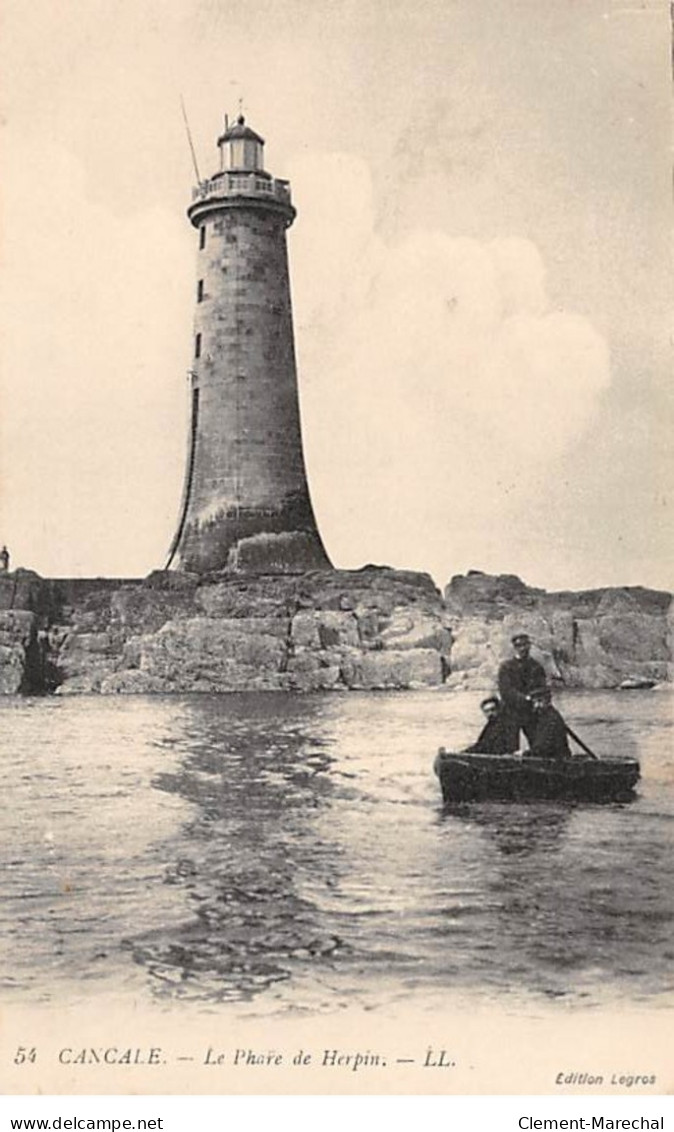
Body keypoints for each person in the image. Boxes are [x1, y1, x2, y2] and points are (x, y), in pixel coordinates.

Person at [497, 631, 547, 747]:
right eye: (519, 646)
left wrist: (538, 700)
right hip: (511, 710)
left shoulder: (536, 666)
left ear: (529, 646)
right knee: (510, 744)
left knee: (537, 742)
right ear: (515, 648)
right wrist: (526, 698)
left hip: (530, 712)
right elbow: (506, 691)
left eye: (525, 645)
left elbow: (542, 687)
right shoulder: (506, 667)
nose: (523, 648)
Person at [528, 686, 571, 760]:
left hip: (556, 761)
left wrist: (525, 753)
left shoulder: (551, 718)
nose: (537, 706)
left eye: (540, 701)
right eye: (534, 702)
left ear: (548, 701)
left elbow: (542, 747)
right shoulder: (545, 716)